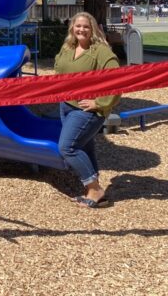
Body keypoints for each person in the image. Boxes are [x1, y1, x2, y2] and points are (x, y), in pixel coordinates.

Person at [55, 12, 120, 208]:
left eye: (86, 26)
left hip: (86, 110)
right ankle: (96, 192)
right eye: (78, 26)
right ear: (72, 28)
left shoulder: (100, 51)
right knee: (83, 146)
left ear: (93, 29)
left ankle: (94, 189)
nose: (81, 30)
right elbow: (58, 72)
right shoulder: (68, 47)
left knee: (67, 147)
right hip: (66, 105)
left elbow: (117, 80)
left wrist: (100, 103)